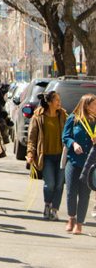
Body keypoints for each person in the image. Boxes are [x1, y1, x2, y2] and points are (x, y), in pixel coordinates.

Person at [26, 91, 67, 221]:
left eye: (59, 100)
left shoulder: (63, 116)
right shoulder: (38, 117)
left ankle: (55, 210)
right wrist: (30, 153)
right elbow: (32, 138)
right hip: (46, 156)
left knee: (60, 184)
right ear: (49, 102)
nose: (59, 102)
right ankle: (47, 204)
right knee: (50, 184)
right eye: (57, 100)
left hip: (61, 156)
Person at [62, 94, 96, 235]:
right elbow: (65, 136)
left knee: (84, 194)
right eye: (94, 104)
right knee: (71, 191)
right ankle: (71, 218)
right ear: (86, 105)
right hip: (74, 160)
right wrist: (73, 144)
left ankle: (80, 223)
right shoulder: (74, 119)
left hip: (90, 164)